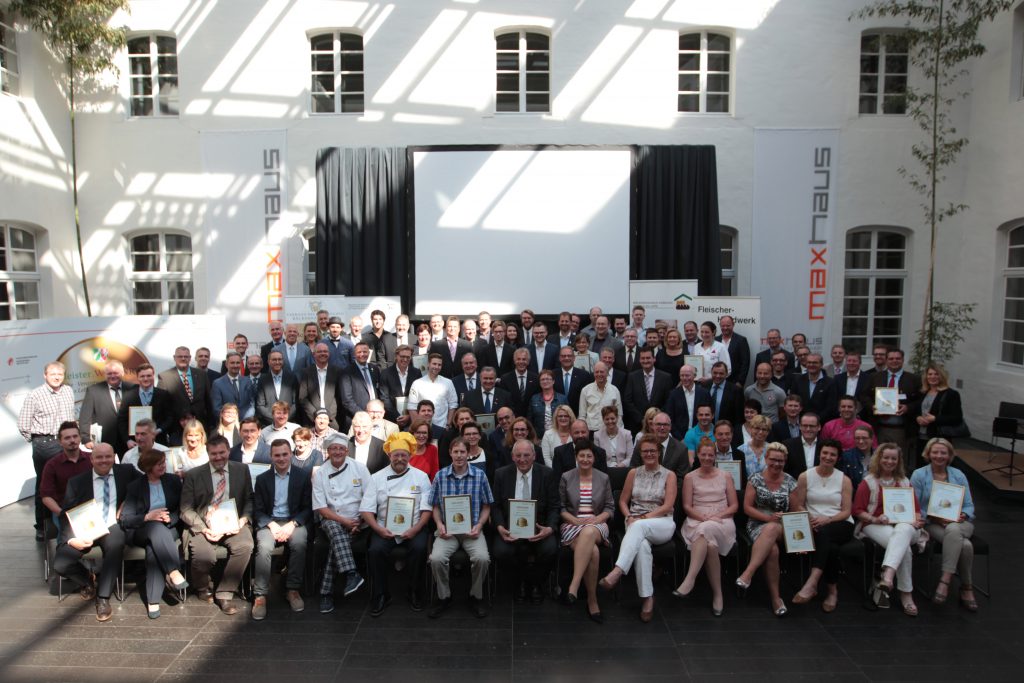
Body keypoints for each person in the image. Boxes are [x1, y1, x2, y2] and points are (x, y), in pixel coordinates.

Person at [53, 442, 137, 621]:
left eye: (108, 456)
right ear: (91, 459)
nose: (104, 460)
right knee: (60, 564)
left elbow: (144, 486)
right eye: (99, 457)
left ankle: (103, 598)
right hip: (85, 530)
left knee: (115, 544)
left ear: (114, 457)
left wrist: (127, 503)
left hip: (112, 526)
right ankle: (87, 580)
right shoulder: (77, 482)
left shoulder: (127, 472)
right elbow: (65, 513)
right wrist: (71, 540)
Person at [598, 435, 678, 622]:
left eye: (652, 450)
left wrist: (642, 518)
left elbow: (668, 505)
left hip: (662, 522)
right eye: (645, 451)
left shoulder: (670, 475)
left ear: (659, 452)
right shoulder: (633, 473)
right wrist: (628, 516)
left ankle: (617, 571)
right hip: (634, 523)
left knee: (639, 528)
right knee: (641, 547)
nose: (649, 454)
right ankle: (647, 598)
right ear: (640, 454)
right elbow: (623, 501)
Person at [359, 432, 433, 616]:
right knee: (375, 551)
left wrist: (416, 529)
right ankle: (381, 594)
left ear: (410, 456)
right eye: (396, 455)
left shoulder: (421, 477)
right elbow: (366, 510)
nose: (400, 458)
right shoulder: (376, 477)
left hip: (414, 527)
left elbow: (427, 510)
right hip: (385, 527)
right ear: (389, 455)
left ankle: (414, 591)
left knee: (419, 549)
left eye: (404, 455)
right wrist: (378, 529)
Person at [179, 434, 254, 615]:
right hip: (204, 524)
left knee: (245, 545)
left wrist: (243, 520)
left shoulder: (241, 470)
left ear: (229, 451)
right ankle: (202, 588)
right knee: (204, 555)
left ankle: (225, 593)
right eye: (214, 454)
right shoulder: (194, 475)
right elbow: (185, 509)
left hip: (234, 523)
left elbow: (249, 500)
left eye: (222, 452)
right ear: (208, 453)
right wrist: (204, 528)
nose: (218, 457)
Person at [852, 443, 923, 616]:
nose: (889, 461)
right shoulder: (867, 482)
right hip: (875, 524)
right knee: (903, 547)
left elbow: (916, 511)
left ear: (898, 461)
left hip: (906, 528)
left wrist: (917, 521)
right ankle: (906, 595)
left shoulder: (905, 482)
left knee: (904, 528)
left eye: (893, 458)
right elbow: (858, 511)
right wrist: (875, 518)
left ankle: (887, 576)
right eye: (886, 457)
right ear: (878, 459)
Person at [428, 437, 494, 619]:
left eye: (462, 452)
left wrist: (479, 525)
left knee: (482, 558)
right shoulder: (440, 476)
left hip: (471, 531)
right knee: (436, 558)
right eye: (455, 452)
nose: (459, 455)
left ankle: (475, 595)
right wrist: (439, 525)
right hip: (447, 531)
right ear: (450, 453)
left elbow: (487, 505)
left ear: (468, 454)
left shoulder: (480, 476)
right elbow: (434, 506)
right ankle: (444, 596)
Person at [911, 437, 978, 611]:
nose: (939, 456)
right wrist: (936, 517)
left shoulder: (958, 475)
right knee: (966, 546)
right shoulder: (919, 475)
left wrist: (962, 514)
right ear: (928, 453)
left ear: (949, 455)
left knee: (955, 528)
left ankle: (944, 581)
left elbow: (969, 505)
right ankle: (966, 587)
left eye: (943, 452)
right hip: (933, 523)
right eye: (935, 452)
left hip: (961, 523)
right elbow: (915, 506)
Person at [673, 439, 737, 616]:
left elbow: (733, 506)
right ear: (698, 455)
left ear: (715, 456)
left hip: (722, 521)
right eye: (704, 454)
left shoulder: (726, 475)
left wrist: (718, 516)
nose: (707, 458)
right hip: (696, 519)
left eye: (711, 455)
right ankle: (718, 594)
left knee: (706, 529)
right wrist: (702, 517)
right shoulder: (689, 477)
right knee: (710, 544)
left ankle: (690, 579)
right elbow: (687, 506)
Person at [121, 447, 187, 619]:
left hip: (168, 528)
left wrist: (169, 519)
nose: (163, 466)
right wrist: (147, 516)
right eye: (158, 464)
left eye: (164, 462)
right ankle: (172, 570)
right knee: (154, 527)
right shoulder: (135, 487)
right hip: (142, 530)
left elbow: (181, 508)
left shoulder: (173, 481)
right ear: (148, 466)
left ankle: (153, 601)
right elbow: (125, 519)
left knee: (153, 549)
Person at [491, 439, 560, 604]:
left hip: (539, 528)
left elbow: (554, 506)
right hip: (510, 528)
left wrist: (549, 528)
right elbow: (496, 506)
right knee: (501, 552)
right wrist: (500, 527)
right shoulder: (501, 474)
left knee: (550, 550)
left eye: (526, 455)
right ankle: (519, 582)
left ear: (534, 456)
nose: (522, 459)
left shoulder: (547, 474)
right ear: (512, 456)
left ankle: (536, 582)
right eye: (518, 455)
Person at [251, 439, 312, 620]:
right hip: (270, 522)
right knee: (263, 547)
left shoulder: (302, 476)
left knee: (300, 542)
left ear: (291, 454)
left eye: (285, 454)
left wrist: (292, 524)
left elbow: (308, 507)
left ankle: (292, 589)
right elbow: (258, 509)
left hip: (293, 522)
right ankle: (260, 595)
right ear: (271, 457)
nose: (281, 458)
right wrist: (271, 524)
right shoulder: (262, 479)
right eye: (277, 455)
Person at [735, 442, 798, 617]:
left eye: (781, 460)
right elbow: (747, 508)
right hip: (756, 523)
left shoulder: (791, 481)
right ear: (765, 458)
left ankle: (748, 574)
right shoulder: (755, 479)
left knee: (771, 529)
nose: (777, 464)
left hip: (784, 526)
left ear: (785, 461)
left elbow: (796, 510)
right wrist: (768, 518)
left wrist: (784, 522)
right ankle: (776, 598)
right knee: (773, 551)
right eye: (773, 459)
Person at [791, 439, 853, 613]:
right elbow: (799, 505)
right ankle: (832, 592)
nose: (828, 457)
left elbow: (846, 511)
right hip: (814, 523)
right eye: (825, 453)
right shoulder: (805, 476)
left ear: (838, 458)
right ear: (819, 454)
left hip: (840, 523)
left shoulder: (844, 480)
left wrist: (828, 519)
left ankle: (812, 582)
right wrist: (810, 517)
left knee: (825, 533)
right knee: (831, 548)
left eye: (833, 454)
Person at [312, 433, 370, 614]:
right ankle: (351, 573)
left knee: (335, 545)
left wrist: (358, 521)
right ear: (328, 451)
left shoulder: (360, 468)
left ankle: (326, 593)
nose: (337, 452)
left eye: (341, 448)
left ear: (347, 450)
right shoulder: (321, 472)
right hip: (331, 518)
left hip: (358, 519)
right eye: (333, 449)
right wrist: (344, 522)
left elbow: (370, 498)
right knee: (336, 532)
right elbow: (321, 508)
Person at [18, 361, 76, 539]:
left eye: (60, 374)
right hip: (45, 443)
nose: (57, 377)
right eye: (53, 374)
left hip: (67, 442)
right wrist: (38, 442)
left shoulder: (68, 391)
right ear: (45, 376)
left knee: (70, 482)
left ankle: (71, 521)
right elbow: (23, 424)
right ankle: (42, 526)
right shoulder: (35, 395)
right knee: (45, 486)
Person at [559, 440, 614, 623]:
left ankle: (573, 586)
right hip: (572, 524)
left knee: (589, 532)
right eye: (581, 455)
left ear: (594, 458)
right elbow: (561, 507)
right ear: (576, 457)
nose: (585, 459)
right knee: (594, 552)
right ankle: (592, 600)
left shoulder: (603, 478)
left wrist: (597, 519)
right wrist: (574, 519)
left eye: (589, 456)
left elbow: (609, 508)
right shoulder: (567, 476)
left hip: (596, 523)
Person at [864, 348, 922, 470]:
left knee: (898, 461)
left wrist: (908, 407)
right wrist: (871, 406)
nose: (894, 361)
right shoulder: (874, 377)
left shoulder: (914, 379)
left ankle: (897, 486)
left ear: (902, 360)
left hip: (901, 429)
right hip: (878, 427)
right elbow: (864, 396)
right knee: (878, 459)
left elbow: (920, 400)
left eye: (897, 358)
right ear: (886, 360)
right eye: (891, 358)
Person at [39, 422, 93, 530]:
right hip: (64, 511)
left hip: (91, 509)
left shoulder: (92, 459)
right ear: (60, 441)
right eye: (67, 438)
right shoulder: (52, 465)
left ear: (80, 438)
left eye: (75, 436)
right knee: (71, 539)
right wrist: (62, 514)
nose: (72, 440)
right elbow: (46, 497)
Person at [78, 359, 134, 454]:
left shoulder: (133, 388)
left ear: (122, 373)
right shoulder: (93, 391)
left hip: (129, 440)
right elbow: (85, 417)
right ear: (105, 374)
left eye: (116, 373)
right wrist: (86, 438)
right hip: (104, 440)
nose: (113, 376)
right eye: (109, 373)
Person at [118, 363, 174, 450]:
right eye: (142, 376)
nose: (145, 379)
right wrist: (127, 440)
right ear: (137, 377)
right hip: (135, 443)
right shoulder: (128, 396)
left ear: (153, 376)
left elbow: (170, 417)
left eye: (148, 376)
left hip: (159, 441)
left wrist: (159, 430)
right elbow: (122, 420)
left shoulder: (163, 394)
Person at [159, 346, 213, 433]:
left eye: (186, 357)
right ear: (174, 358)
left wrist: (210, 424)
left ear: (190, 358)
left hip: (201, 425)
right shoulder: (165, 376)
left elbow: (208, 401)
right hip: (176, 427)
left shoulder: (202, 374)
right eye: (180, 356)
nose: (183, 359)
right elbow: (162, 405)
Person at [913, 363, 965, 451]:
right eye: (930, 374)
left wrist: (935, 418)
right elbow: (916, 410)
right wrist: (917, 418)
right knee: (921, 463)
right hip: (921, 436)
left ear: (942, 376)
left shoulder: (951, 394)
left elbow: (957, 418)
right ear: (926, 377)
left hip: (939, 438)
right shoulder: (923, 392)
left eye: (936, 374)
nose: (933, 377)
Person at [622, 348, 673, 434]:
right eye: (643, 358)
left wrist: (657, 418)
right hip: (637, 425)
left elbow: (668, 401)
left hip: (660, 426)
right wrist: (642, 420)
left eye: (648, 358)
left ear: (654, 359)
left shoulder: (665, 377)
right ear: (639, 360)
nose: (645, 361)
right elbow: (627, 400)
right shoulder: (632, 377)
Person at [407, 353, 459, 429]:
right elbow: (412, 407)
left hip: (443, 427)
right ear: (428, 364)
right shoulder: (417, 383)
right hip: (423, 429)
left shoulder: (448, 382)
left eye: (439, 365)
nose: (436, 367)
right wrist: (417, 427)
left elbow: (453, 404)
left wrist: (448, 423)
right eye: (434, 364)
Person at [298, 342, 343, 429]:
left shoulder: (337, 372)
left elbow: (339, 397)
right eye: (319, 352)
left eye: (325, 351)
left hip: (332, 419)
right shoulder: (306, 372)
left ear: (329, 354)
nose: (323, 353)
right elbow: (302, 398)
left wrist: (328, 416)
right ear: (314, 354)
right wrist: (316, 416)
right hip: (311, 420)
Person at [664, 365, 712, 438]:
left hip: (701, 436)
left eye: (687, 375)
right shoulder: (673, 394)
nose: (684, 378)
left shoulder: (704, 393)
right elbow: (669, 417)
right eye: (682, 376)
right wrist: (679, 438)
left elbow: (709, 416)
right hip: (679, 438)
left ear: (694, 376)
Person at [255, 349, 299, 427]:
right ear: (268, 362)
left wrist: (285, 418)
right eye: (274, 360)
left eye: (280, 359)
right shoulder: (263, 379)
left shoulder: (292, 377)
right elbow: (260, 405)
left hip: (289, 423)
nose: (277, 362)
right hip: (268, 424)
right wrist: (274, 419)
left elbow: (295, 403)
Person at [578, 362, 623, 433]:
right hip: (591, 430)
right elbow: (582, 415)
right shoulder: (585, 390)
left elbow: (619, 414)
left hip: (609, 430)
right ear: (594, 373)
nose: (599, 374)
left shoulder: (614, 390)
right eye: (596, 372)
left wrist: (618, 432)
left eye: (602, 372)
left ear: (607, 373)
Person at [794, 353, 837, 423]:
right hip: (801, 423)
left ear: (821, 365)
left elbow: (831, 406)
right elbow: (794, 401)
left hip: (822, 423)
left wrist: (816, 420)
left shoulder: (830, 382)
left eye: (815, 363)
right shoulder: (798, 380)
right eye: (809, 362)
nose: (811, 365)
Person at [554, 345, 592, 417]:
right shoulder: (553, 375)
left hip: (578, 415)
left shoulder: (584, 375)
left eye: (569, 356)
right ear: (559, 358)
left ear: (574, 358)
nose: (566, 358)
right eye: (563, 356)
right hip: (558, 417)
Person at [528, 369, 567, 439]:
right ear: (539, 382)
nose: (545, 381)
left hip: (558, 436)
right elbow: (530, 420)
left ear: (553, 381)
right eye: (542, 379)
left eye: (548, 379)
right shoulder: (534, 398)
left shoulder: (562, 399)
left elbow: (569, 418)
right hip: (539, 438)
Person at [717, 315, 751, 387]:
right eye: (723, 326)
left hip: (734, 382)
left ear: (733, 325)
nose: (725, 328)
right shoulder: (715, 340)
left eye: (728, 325)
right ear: (720, 326)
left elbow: (745, 363)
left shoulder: (741, 340)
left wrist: (740, 382)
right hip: (717, 380)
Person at [839, 425, 875, 490]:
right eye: (857, 438)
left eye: (864, 438)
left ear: (871, 439)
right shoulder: (846, 456)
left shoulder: (879, 455)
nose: (861, 441)